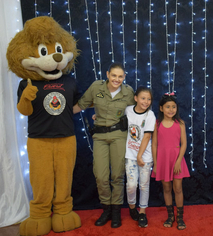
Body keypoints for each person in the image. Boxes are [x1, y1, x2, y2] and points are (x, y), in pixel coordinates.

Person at [73, 62, 135, 228]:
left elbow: (136, 112)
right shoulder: (96, 87)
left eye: (120, 76)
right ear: (107, 74)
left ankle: (116, 212)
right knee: (100, 176)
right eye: (114, 75)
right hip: (100, 136)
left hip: (119, 135)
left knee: (117, 175)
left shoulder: (128, 92)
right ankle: (106, 209)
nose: (116, 79)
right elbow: (82, 104)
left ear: (124, 77)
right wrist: (59, 114)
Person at [151, 92, 190, 230]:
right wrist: (155, 164)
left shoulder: (180, 123)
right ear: (161, 108)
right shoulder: (157, 124)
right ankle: (170, 216)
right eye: (168, 107)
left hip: (176, 159)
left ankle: (180, 217)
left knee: (177, 189)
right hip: (162, 160)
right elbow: (154, 144)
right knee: (166, 188)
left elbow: (184, 144)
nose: (171, 110)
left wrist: (179, 161)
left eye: (173, 107)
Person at [125, 86, 156, 228]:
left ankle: (142, 212)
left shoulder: (150, 115)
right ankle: (132, 208)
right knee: (131, 185)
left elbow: (147, 136)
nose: (146, 101)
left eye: (149, 99)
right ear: (136, 98)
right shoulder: (128, 110)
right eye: (143, 98)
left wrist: (140, 156)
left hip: (145, 157)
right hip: (130, 155)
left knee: (144, 185)